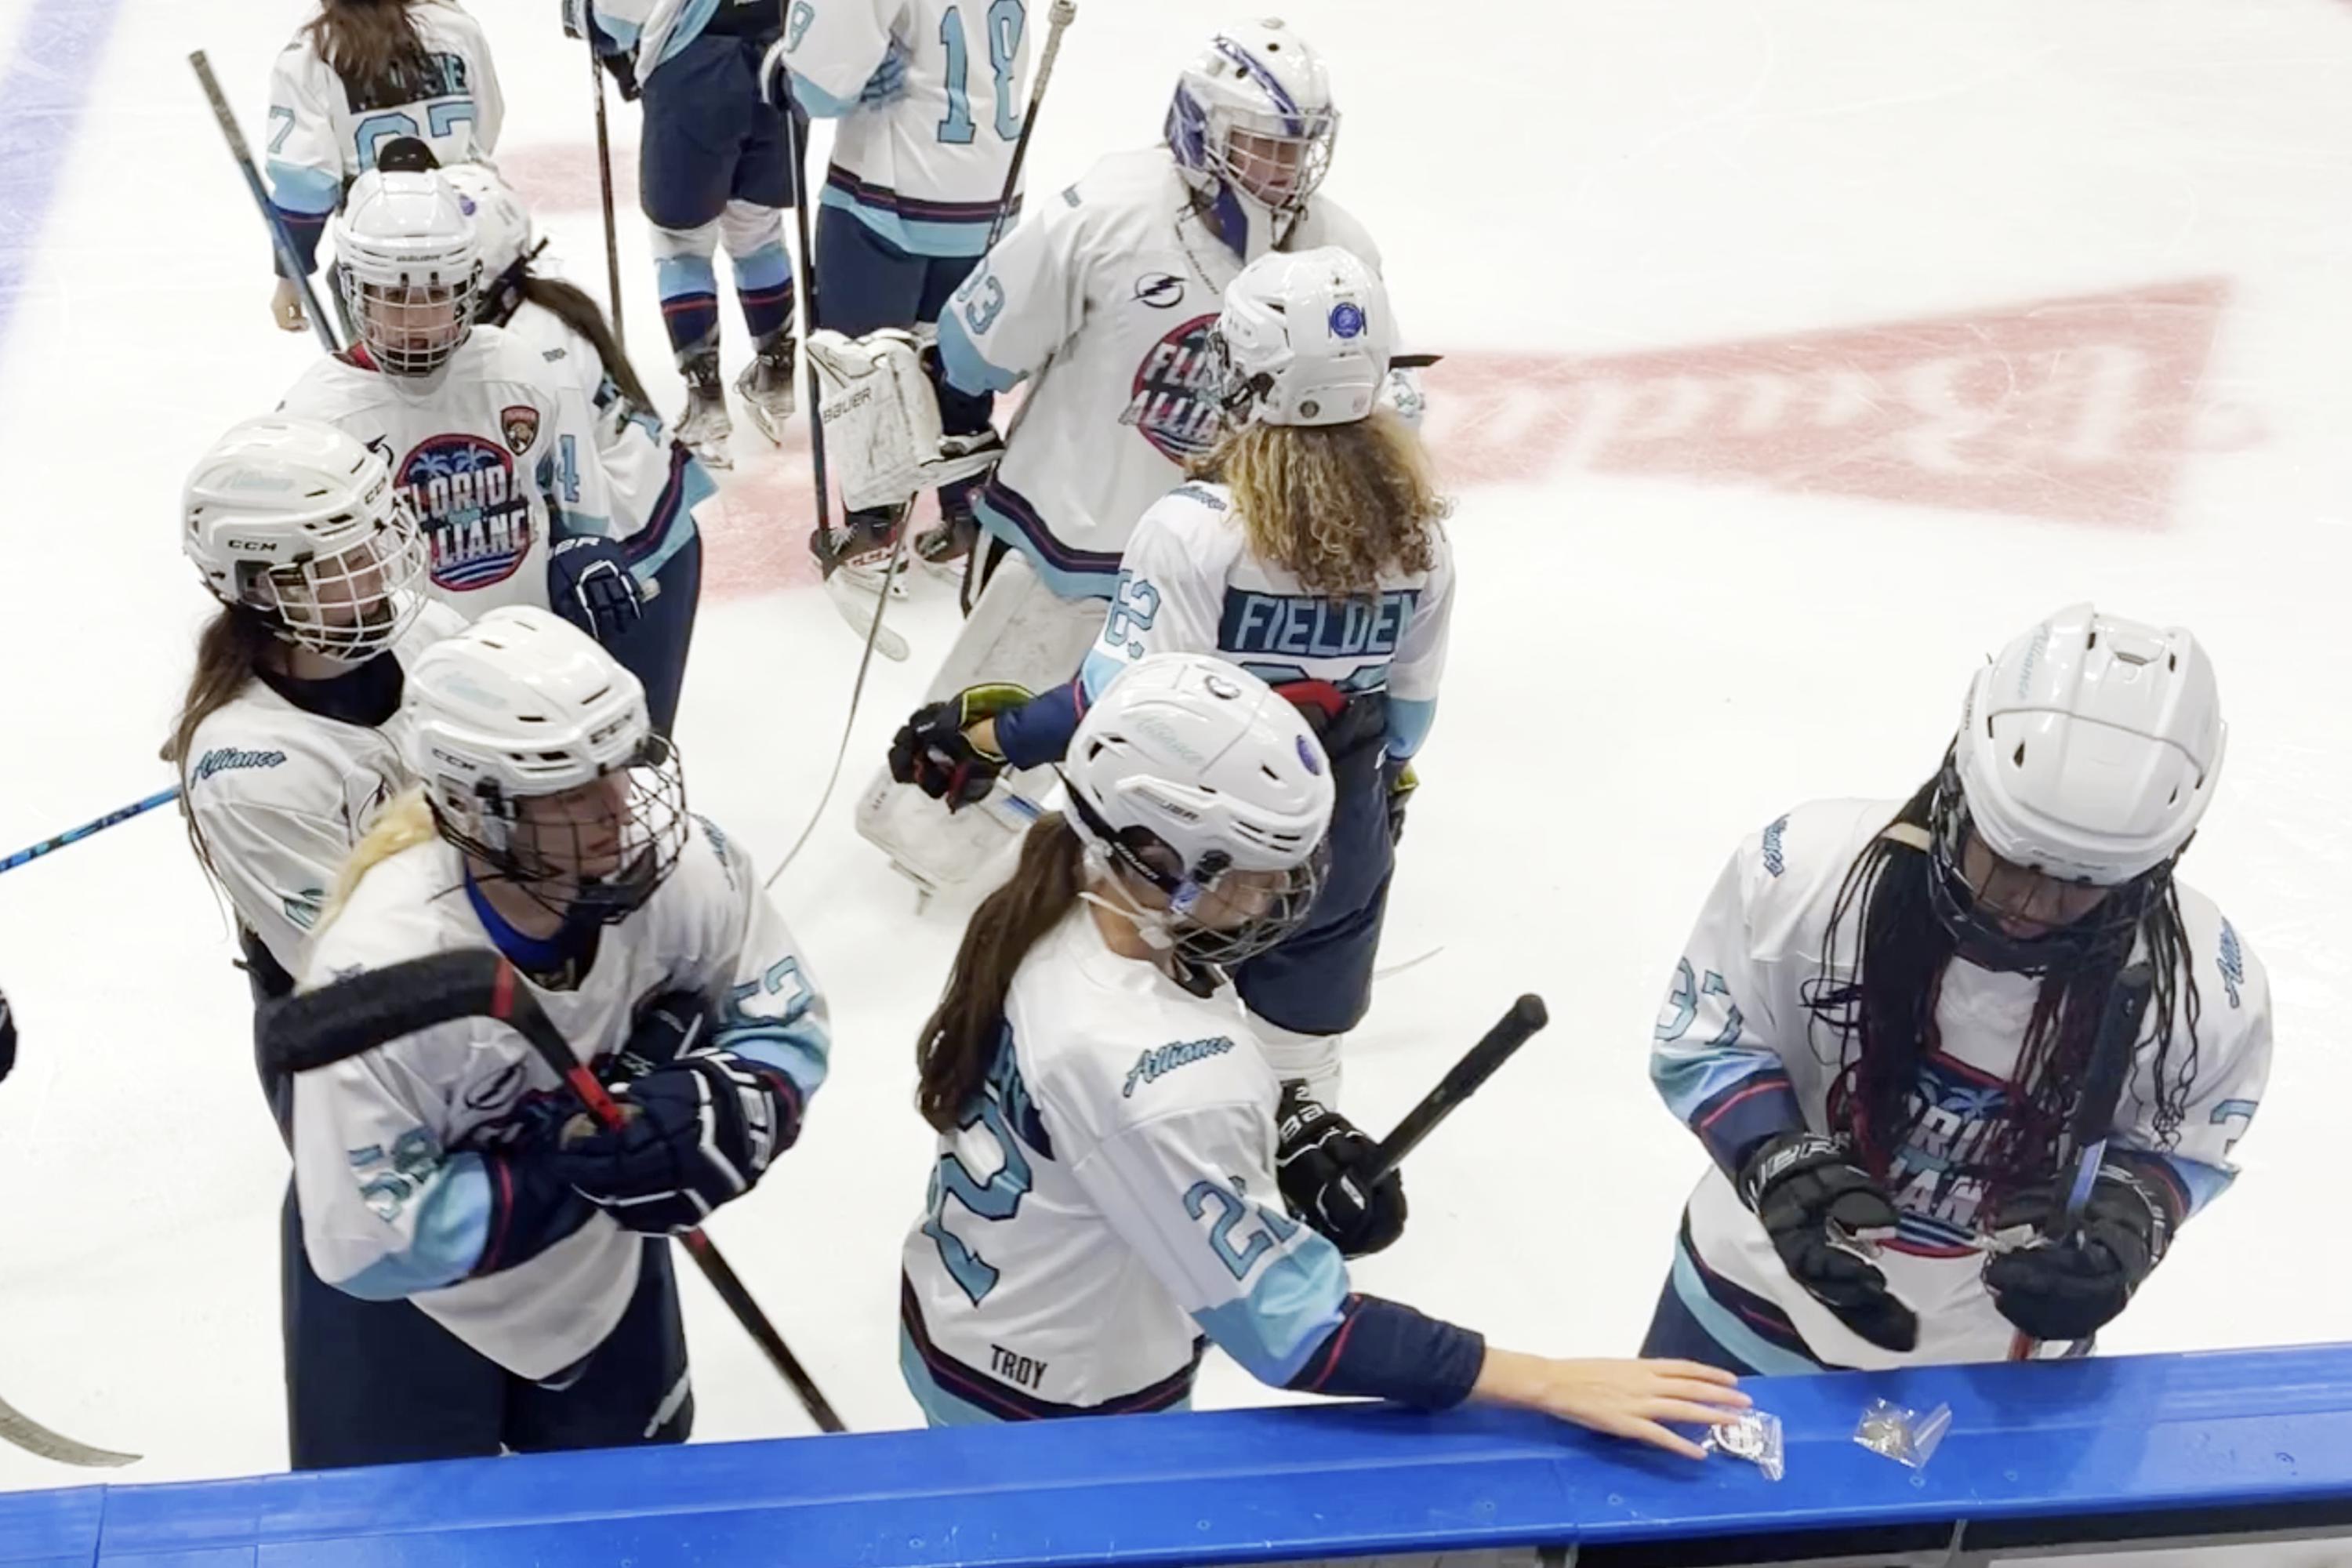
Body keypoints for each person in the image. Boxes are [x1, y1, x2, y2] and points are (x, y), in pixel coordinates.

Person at [901, 652, 1749, 1455]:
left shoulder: (1072, 885)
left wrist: (1291, 1124)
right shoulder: (1150, 1063)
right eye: (1260, 868)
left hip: (979, 1318)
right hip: (1062, 1409)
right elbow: (1296, 1326)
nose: (1280, 890)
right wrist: (1547, 1380)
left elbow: (1111, 1114)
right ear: (1160, 854)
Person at [810, 20, 1420, 890]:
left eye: (1297, 151)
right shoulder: (1106, 211)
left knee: (1178, 793)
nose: (1283, 174)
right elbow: (976, 349)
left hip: (1235, 574)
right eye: (1261, 147)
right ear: (1202, 130)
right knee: (959, 784)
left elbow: (1376, 405)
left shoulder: (1341, 253)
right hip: (1072, 544)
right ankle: (942, 887)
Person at [1644, 605, 2272, 1373]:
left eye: (2082, 885)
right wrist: (1771, 1154)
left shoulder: (2209, 992)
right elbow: (1710, 1035)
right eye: (2007, 858)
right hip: (1745, 1309)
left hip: (1995, 1367)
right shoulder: (1800, 874)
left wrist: (2127, 1220)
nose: (2031, 909)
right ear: (1957, 791)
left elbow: (2183, 1144)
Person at [888, 248, 1447, 1101]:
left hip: (1188, 858)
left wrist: (991, 733)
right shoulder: (1424, 543)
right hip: (1339, 843)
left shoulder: (1197, 528)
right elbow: (1405, 728)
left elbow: (1123, 706)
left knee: (1132, 1068)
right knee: (1301, 1092)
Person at [285, 604, 829, 1467]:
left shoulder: (686, 872)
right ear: (478, 806)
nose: (618, 806)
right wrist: (577, 1169)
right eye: (569, 790)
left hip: (596, 1278)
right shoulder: (384, 966)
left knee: (626, 1511)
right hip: (417, 1308)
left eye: (618, 766)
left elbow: (785, 1018)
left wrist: (731, 1106)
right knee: (417, 1539)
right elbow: (369, 1241)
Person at [277, 167, 676, 727]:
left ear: (467, 286)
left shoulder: (519, 368)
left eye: (437, 293)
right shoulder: (318, 419)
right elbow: (287, 586)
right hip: (406, 696)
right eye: (392, 296)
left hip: (534, 668)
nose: (417, 321)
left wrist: (577, 547)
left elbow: (578, 510)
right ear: (354, 290)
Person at [165, 416, 460, 1096]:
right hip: (364, 1055)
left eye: (376, 538)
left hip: (487, 982)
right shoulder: (251, 774)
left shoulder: (431, 635)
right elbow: (357, 968)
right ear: (269, 585)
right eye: (348, 558)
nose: (382, 568)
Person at [757, 0, 1030, 597]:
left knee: (864, 366)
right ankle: (967, 514)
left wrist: (783, 68)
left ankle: (873, 528)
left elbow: (819, 89)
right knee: (957, 359)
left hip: (892, 193)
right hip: (991, 196)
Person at [441, 160, 711, 733]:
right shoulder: (527, 311)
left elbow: (572, 497)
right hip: (635, 532)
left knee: (621, 745)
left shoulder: (533, 349)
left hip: (633, 555)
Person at [584, 0, 800, 468]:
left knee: (680, 246)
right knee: (759, 231)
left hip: (696, 73)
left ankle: (706, 405)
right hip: (781, 60)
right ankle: (777, 378)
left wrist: (591, 18)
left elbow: (619, 17)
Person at [263, 0, 503, 336]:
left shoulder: (310, 52)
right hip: (470, 235)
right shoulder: (456, 27)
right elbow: (486, 126)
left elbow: (307, 181)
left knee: (385, 382)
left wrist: (291, 273)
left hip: (378, 263)